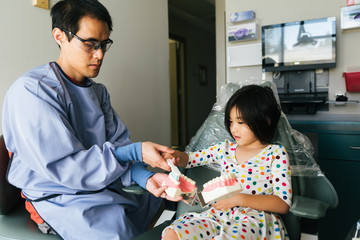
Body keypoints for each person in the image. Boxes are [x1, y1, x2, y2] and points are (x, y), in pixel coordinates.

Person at [1, 0, 178, 239]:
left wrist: (145, 177)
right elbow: (67, 168)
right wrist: (136, 151)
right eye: (90, 44)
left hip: (100, 181)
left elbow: (119, 146)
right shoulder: (32, 91)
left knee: (165, 206)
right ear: (60, 36)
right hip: (57, 195)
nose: (100, 54)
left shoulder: (98, 92)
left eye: (104, 44)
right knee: (117, 232)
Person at [162, 85, 292, 240]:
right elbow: (190, 159)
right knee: (173, 234)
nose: (233, 129)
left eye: (240, 122)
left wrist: (239, 199)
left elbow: (282, 203)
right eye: (230, 122)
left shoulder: (276, 154)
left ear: (266, 120)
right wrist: (176, 156)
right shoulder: (224, 149)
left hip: (255, 219)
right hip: (218, 214)